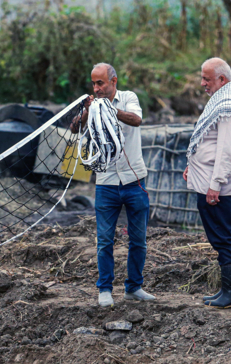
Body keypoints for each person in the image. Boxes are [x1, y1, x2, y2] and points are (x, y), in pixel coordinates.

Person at [72, 63, 155, 308]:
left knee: (138, 239)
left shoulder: (128, 98)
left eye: (101, 83)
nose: (96, 89)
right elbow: (75, 127)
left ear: (113, 81)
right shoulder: (92, 105)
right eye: (94, 84)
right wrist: (89, 111)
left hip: (133, 180)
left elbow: (136, 120)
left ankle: (134, 288)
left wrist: (108, 109)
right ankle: (105, 289)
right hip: (106, 183)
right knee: (105, 239)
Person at [183, 57, 231, 309]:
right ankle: (227, 290)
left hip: (218, 186)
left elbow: (225, 150)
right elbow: (210, 141)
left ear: (222, 79)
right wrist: (193, 164)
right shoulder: (223, 100)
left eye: (207, 79)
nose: (202, 83)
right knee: (219, 236)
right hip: (211, 181)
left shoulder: (230, 105)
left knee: (224, 237)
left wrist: (216, 184)